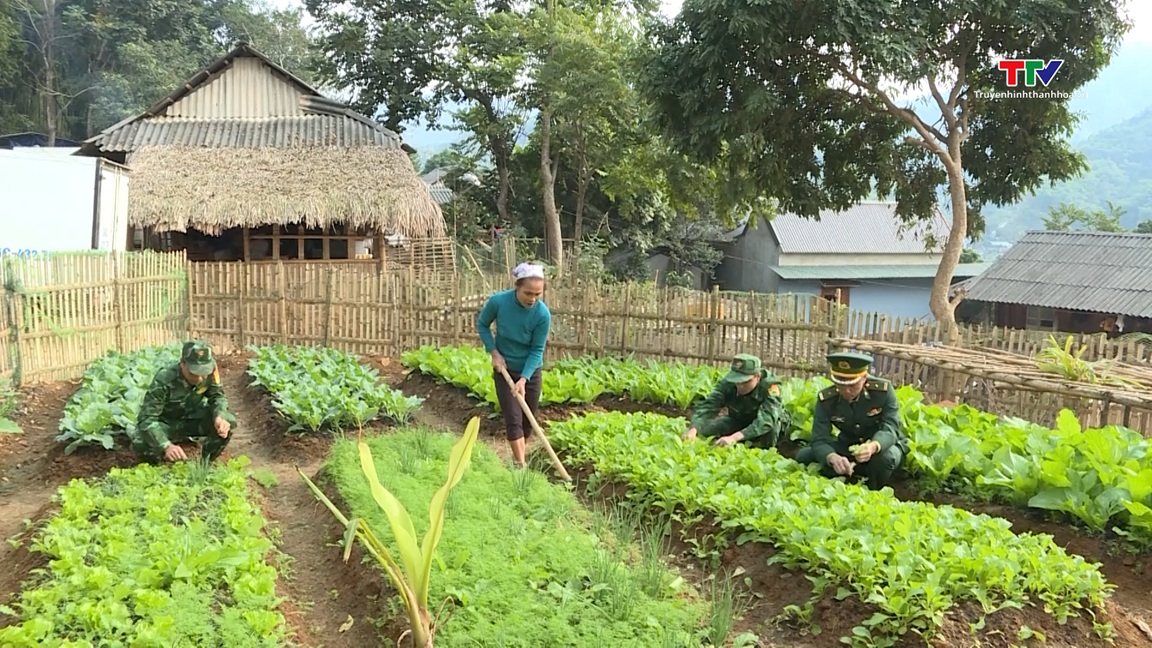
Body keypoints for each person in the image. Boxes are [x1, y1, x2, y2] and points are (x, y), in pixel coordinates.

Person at [795, 351, 909, 490]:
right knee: (805, 456)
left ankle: (874, 488)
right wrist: (832, 458)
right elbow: (819, 438)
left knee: (886, 458)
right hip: (848, 446)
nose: (847, 391)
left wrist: (873, 446)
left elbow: (891, 428)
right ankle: (848, 477)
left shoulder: (882, 392)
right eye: (841, 385)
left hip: (882, 447)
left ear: (864, 378)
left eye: (852, 385)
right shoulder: (827, 399)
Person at [477, 262, 553, 469]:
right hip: (504, 368)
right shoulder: (498, 302)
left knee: (528, 421)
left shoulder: (542, 315)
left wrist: (524, 379)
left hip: (530, 370)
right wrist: (494, 352)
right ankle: (521, 466)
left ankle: (518, 458)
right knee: (513, 417)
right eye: (528, 293)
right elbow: (482, 325)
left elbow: (537, 349)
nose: (533, 299)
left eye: (537, 294)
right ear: (517, 287)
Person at [132, 341, 236, 464]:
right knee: (141, 441)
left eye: (203, 373)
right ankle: (162, 465)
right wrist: (165, 446)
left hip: (192, 419)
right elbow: (147, 419)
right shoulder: (164, 378)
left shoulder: (210, 369)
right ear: (182, 364)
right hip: (166, 423)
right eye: (194, 373)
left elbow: (217, 396)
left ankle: (205, 462)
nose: (200, 379)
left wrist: (219, 416)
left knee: (228, 421)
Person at [683, 354, 792, 449]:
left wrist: (734, 437)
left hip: (764, 425)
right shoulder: (728, 382)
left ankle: (760, 448)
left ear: (757, 376)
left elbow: (766, 421)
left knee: (769, 432)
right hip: (739, 418)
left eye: (745, 382)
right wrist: (694, 429)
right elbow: (709, 405)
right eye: (737, 381)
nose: (740, 385)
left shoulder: (771, 387)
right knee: (705, 430)